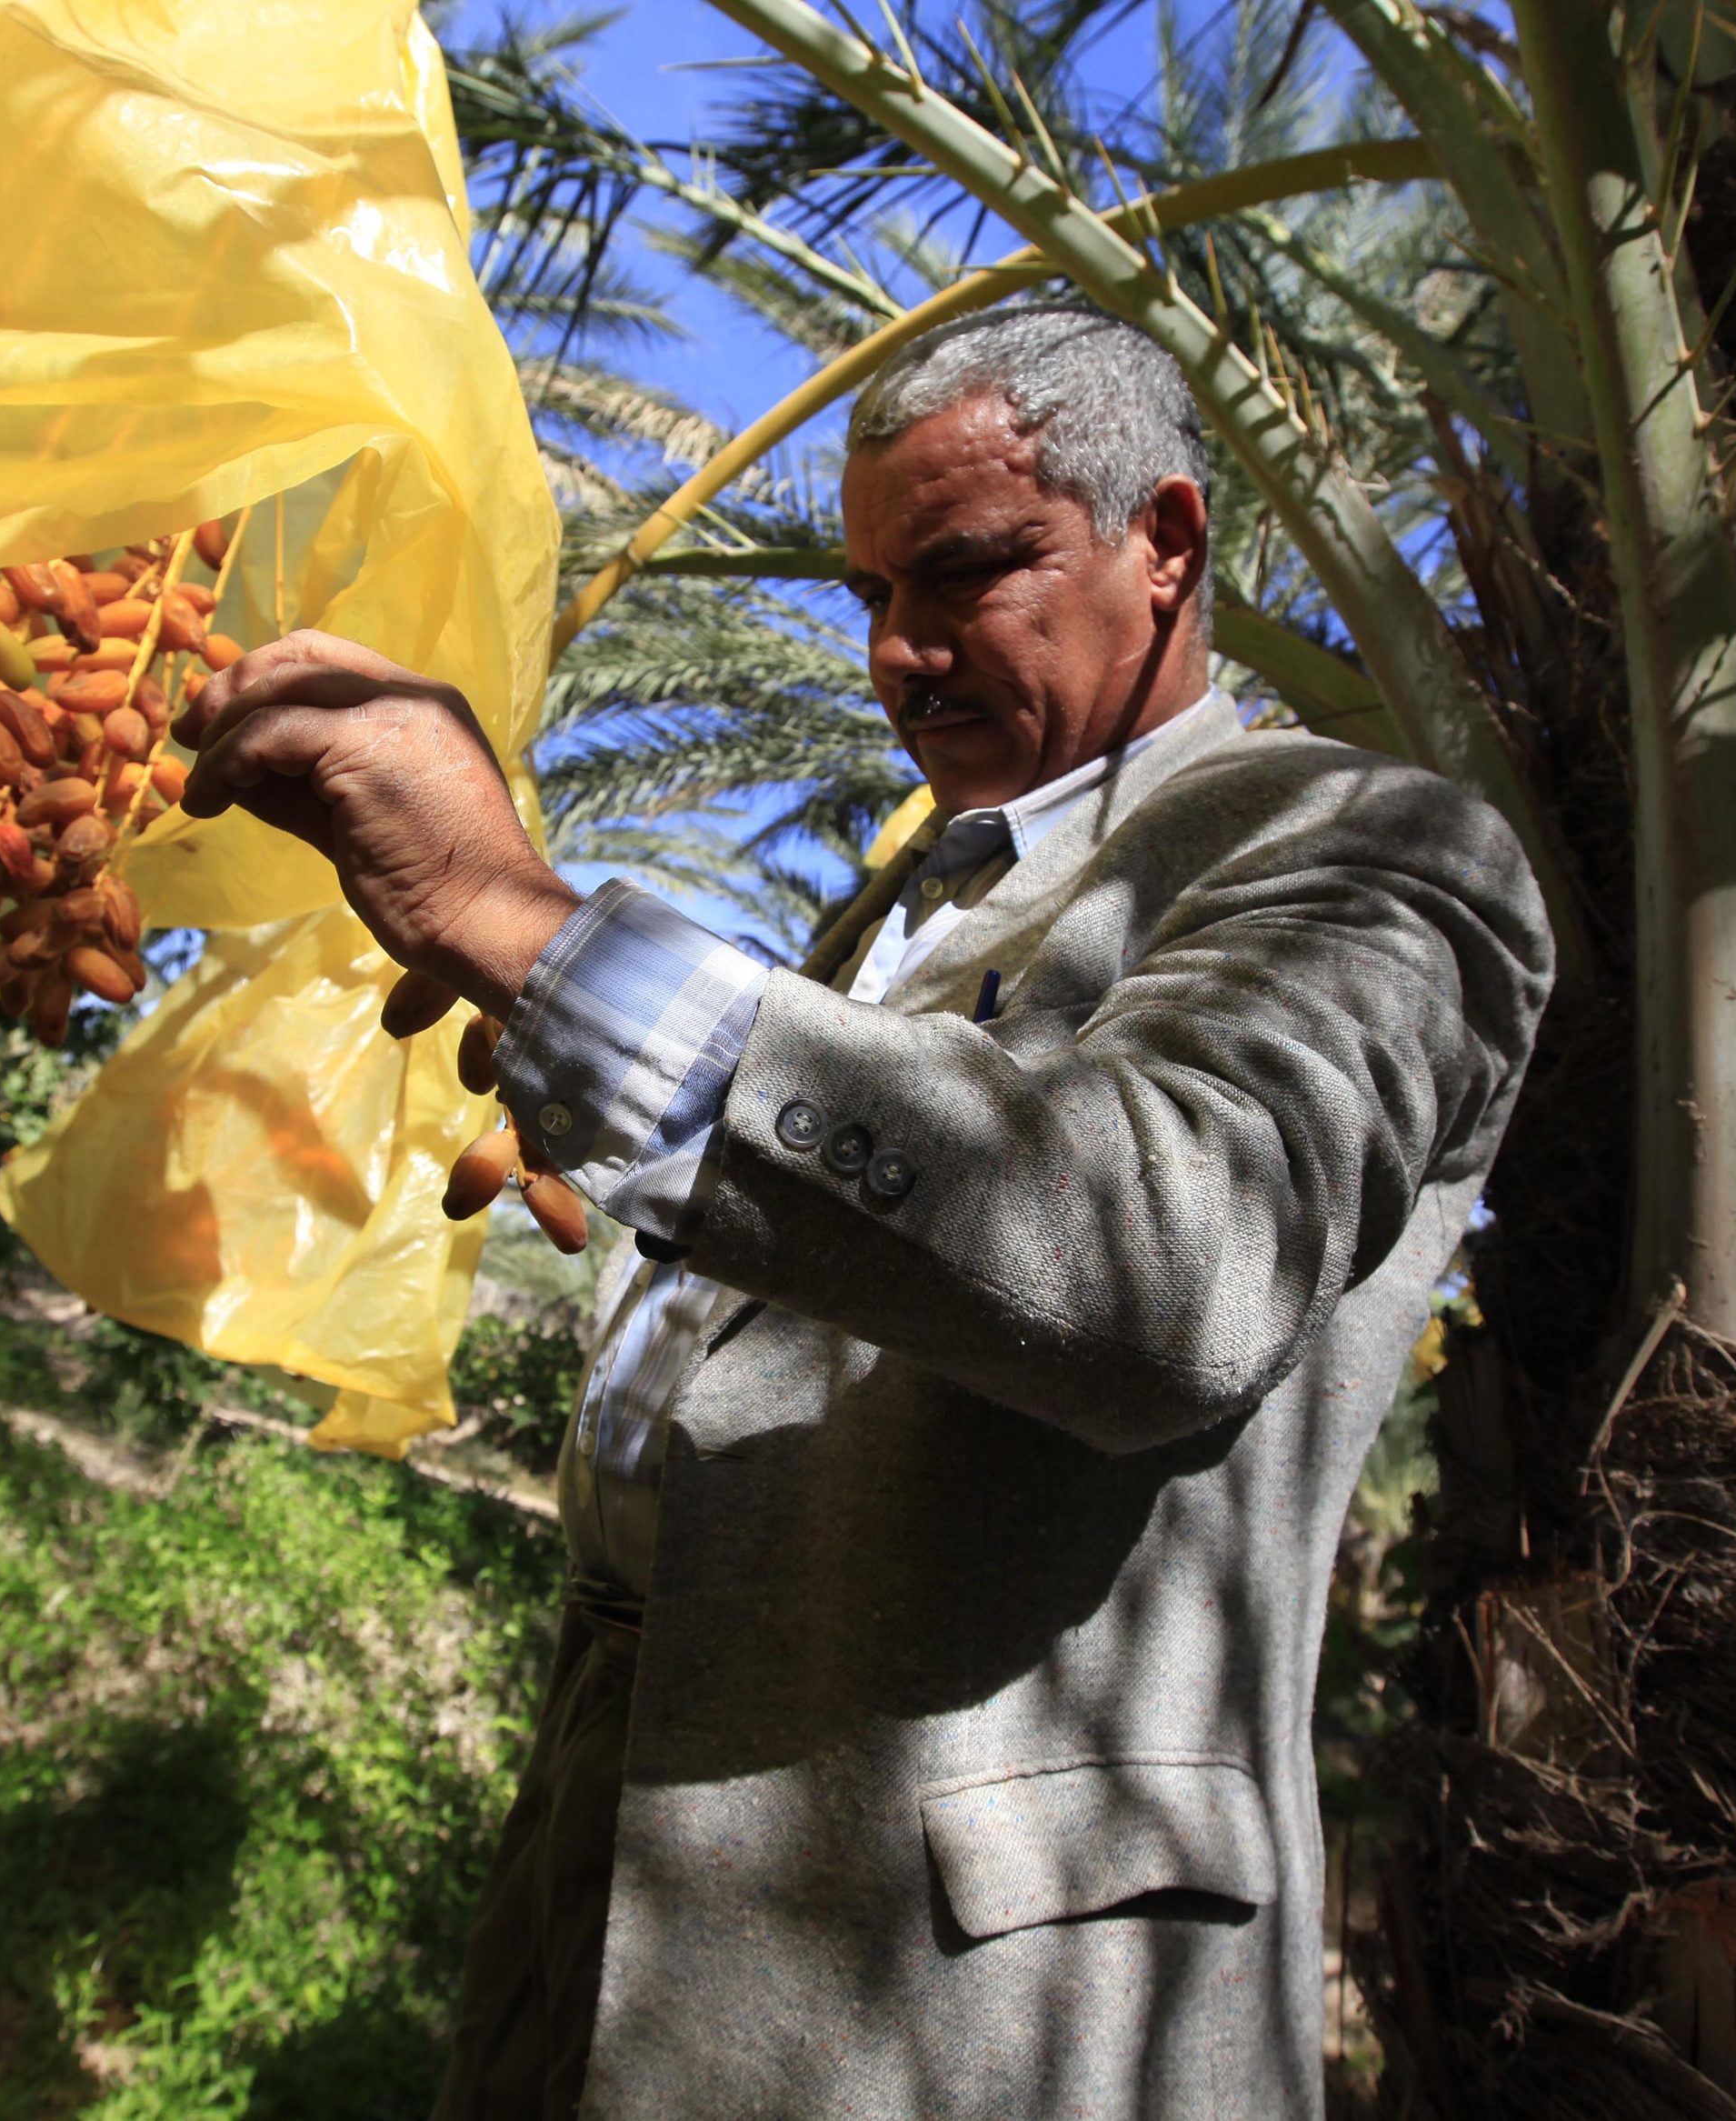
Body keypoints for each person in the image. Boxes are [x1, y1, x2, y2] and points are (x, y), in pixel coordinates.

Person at [182, 306, 1552, 2121]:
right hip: (631, 1848)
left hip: (976, 1987)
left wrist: (517, 915)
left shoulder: (1366, 850)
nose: (899, 654)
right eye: (867, 597)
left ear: (1166, 541)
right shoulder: (905, 908)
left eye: (969, 573)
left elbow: (1167, 1270)